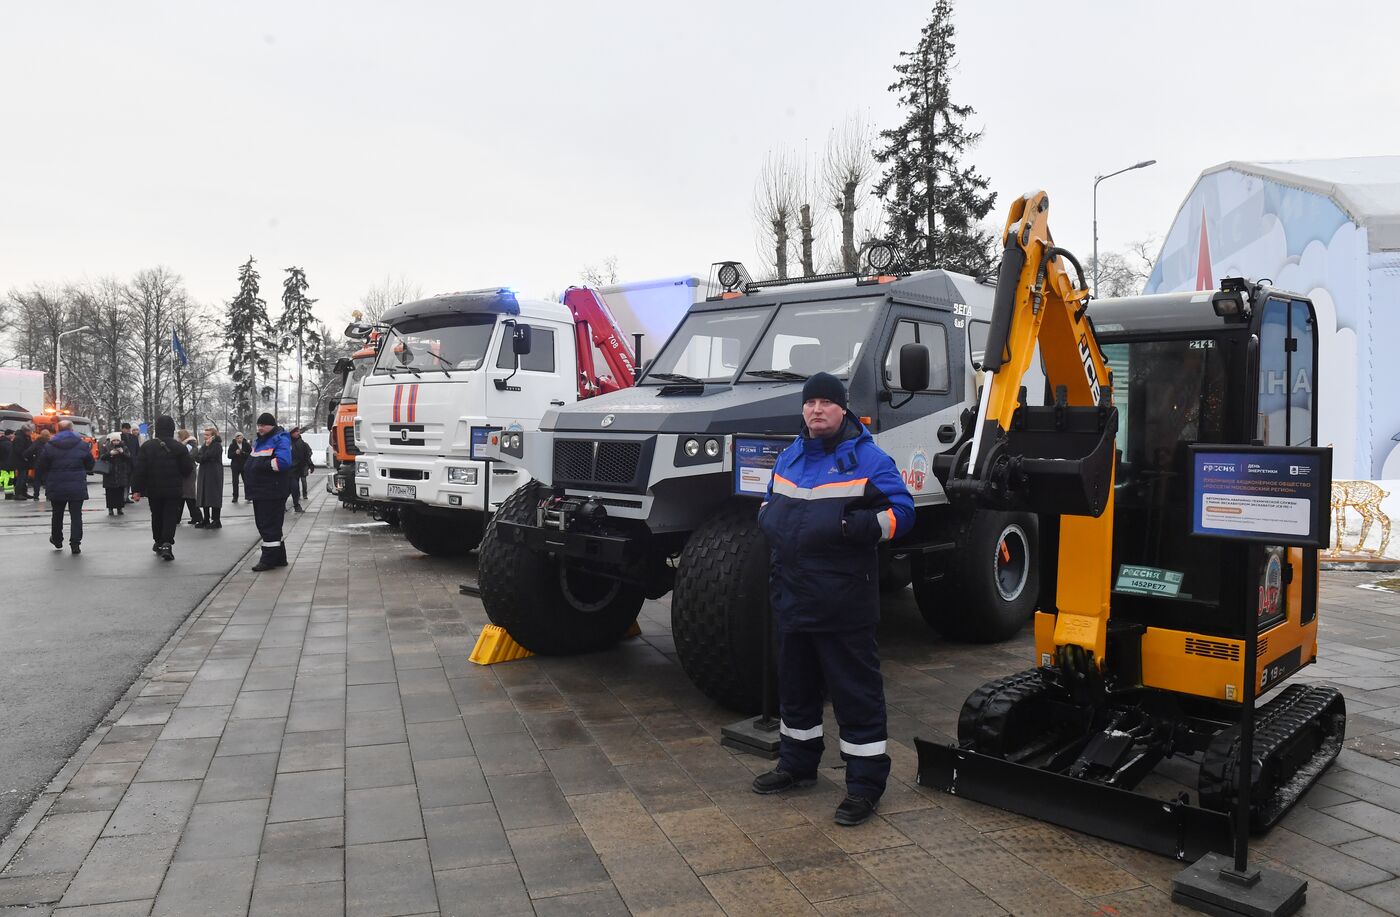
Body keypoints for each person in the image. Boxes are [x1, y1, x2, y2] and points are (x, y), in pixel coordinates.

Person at [751, 372, 914, 827]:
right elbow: (768, 502)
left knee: (855, 696)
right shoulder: (789, 455)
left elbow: (903, 514)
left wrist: (854, 528)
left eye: (825, 402)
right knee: (796, 690)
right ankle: (797, 766)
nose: (816, 409)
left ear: (842, 408)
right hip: (792, 598)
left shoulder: (869, 458)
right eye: (810, 402)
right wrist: (768, 520)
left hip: (843, 604)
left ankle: (864, 787)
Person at [131, 415, 195, 561]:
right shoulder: (180, 447)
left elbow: (139, 470)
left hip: (153, 488)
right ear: (172, 429)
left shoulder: (147, 447)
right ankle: (167, 543)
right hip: (173, 489)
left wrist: (136, 490)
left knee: (157, 514)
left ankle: (158, 541)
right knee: (170, 516)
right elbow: (187, 469)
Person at [36, 419, 94, 554]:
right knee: (76, 516)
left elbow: (41, 465)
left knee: (57, 514)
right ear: (72, 429)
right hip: (76, 485)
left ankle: (57, 539)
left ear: (58, 430)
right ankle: (75, 543)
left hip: (56, 484)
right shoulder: (81, 444)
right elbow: (90, 464)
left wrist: (48, 478)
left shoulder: (50, 445)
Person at [246, 412, 292, 571]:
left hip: (271, 491)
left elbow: (283, 463)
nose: (260, 428)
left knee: (268, 525)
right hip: (261, 491)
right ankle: (279, 558)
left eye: (263, 425)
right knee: (271, 525)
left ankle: (268, 560)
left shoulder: (280, 439)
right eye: (258, 425)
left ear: (271, 425)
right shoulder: (260, 440)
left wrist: (261, 466)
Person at [194, 425, 224, 529]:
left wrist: (205, 450)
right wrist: (205, 450)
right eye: (204, 434)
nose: (205, 436)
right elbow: (198, 457)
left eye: (207, 435)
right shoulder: (205, 445)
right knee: (204, 495)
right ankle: (206, 519)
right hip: (204, 473)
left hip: (214, 473)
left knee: (214, 495)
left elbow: (208, 456)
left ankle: (216, 520)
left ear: (213, 436)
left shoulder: (217, 446)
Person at [100, 432, 133, 516]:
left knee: (119, 492)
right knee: (110, 492)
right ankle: (110, 509)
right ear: (111, 441)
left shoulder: (124, 447)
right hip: (109, 473)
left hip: (120, 473)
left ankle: (119, 508)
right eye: (114, 440)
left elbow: (129, 458)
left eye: (117, 440)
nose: (116, 442)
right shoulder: (106, 447)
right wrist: (110, 453)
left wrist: (122, 453)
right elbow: (102, 457)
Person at [177, 429, 199, 524]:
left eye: (179, 436)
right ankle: (194, 517)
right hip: (185, 471)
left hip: (188, 472)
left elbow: (190, 456)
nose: (177, 438)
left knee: (188, 495)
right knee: (183, 496)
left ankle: (196, 517)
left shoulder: (190, 444)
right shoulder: (186, 444)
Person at [288, 427, 313, 512]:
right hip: (287, 470)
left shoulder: (301, 443)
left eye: (298, 432)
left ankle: (296, 505)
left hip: (297, 470)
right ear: (291, 433)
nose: (298, 433)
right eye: (296, 432)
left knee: (295, 489)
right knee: (288, 489)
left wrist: (310, 464)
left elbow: (307, 455)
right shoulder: (287, 443)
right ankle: (285, 506)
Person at [26, 429, 51, 498]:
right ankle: (48, 495)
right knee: (47, 480)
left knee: (37, 480)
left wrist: (30, 458)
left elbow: (29, 451)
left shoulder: (37, 442)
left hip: (38, 464)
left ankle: (36, 495)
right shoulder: (50, 443)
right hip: (48, 464)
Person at [120, 422, 141, 503]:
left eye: (128, 429)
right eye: (125, 429)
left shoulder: (134, 438)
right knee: (123, 481)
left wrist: (137, 460)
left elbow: (137, 450)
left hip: (132, 462)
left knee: (129, 481)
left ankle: (126, 497)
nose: (127, 431)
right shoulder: (119, 437)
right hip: (123, 462)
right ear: (122, 429)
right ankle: (123, 497)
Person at [227, 433, 251, 503]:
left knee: (246, 481)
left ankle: (248, 496)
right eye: (237, 438)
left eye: (240, 438)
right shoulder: (232, 445)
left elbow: (250, 455)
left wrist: (242, 452)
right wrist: (235, 453)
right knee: (235, 482)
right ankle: (235, 497)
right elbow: (229, 456)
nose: (239, 439)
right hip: (235, 466)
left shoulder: (246, 445)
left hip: (244, 466)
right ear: (235, 438)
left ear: (243, 438)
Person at [12, 425, 32, 500]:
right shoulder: (19, 438)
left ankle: (24, 492)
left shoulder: (27, 437)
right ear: (26, 431)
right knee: (21, 477)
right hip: (20, 461)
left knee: (25, 477)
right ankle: (18, 493)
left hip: (26, 460)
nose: (31, 433)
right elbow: (19, 450)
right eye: (30, 431)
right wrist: (25, 456)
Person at [0, 430, 14, 498]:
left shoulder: (2, 442)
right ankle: (9, 495)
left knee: (3, 479)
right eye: (12, 434)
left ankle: (9, 494)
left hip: (3, 465)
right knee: (8, 480)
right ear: (9, 434)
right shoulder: (8, 443)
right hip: (8, 465)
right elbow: (11, 455)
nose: (13, 436)